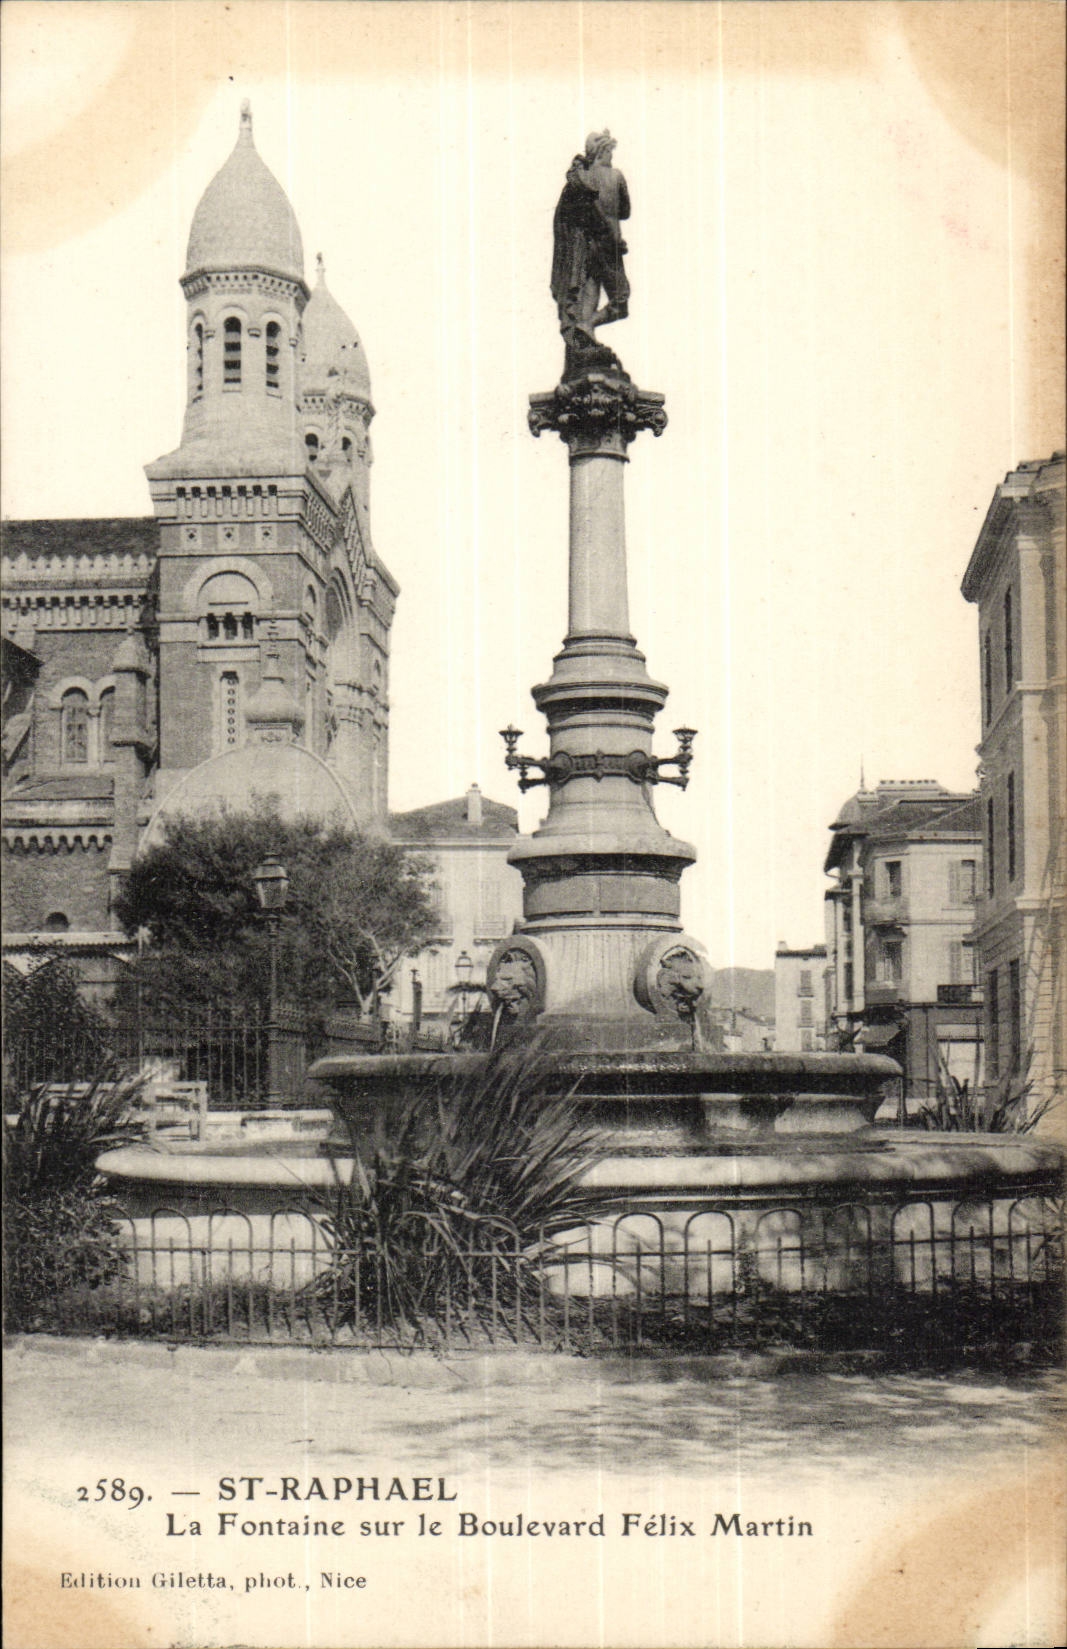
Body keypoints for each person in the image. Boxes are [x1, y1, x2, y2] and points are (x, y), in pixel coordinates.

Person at [551, 130, 630, 354]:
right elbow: (625, 211)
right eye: (610, 151)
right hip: (610, 245)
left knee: (590, 291)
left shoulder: (581, 178)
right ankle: (588, 325)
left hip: (587, 247)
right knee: (621, 299)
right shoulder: (616, 176)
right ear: (602, 152)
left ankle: (586, 336)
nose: (611, 156)